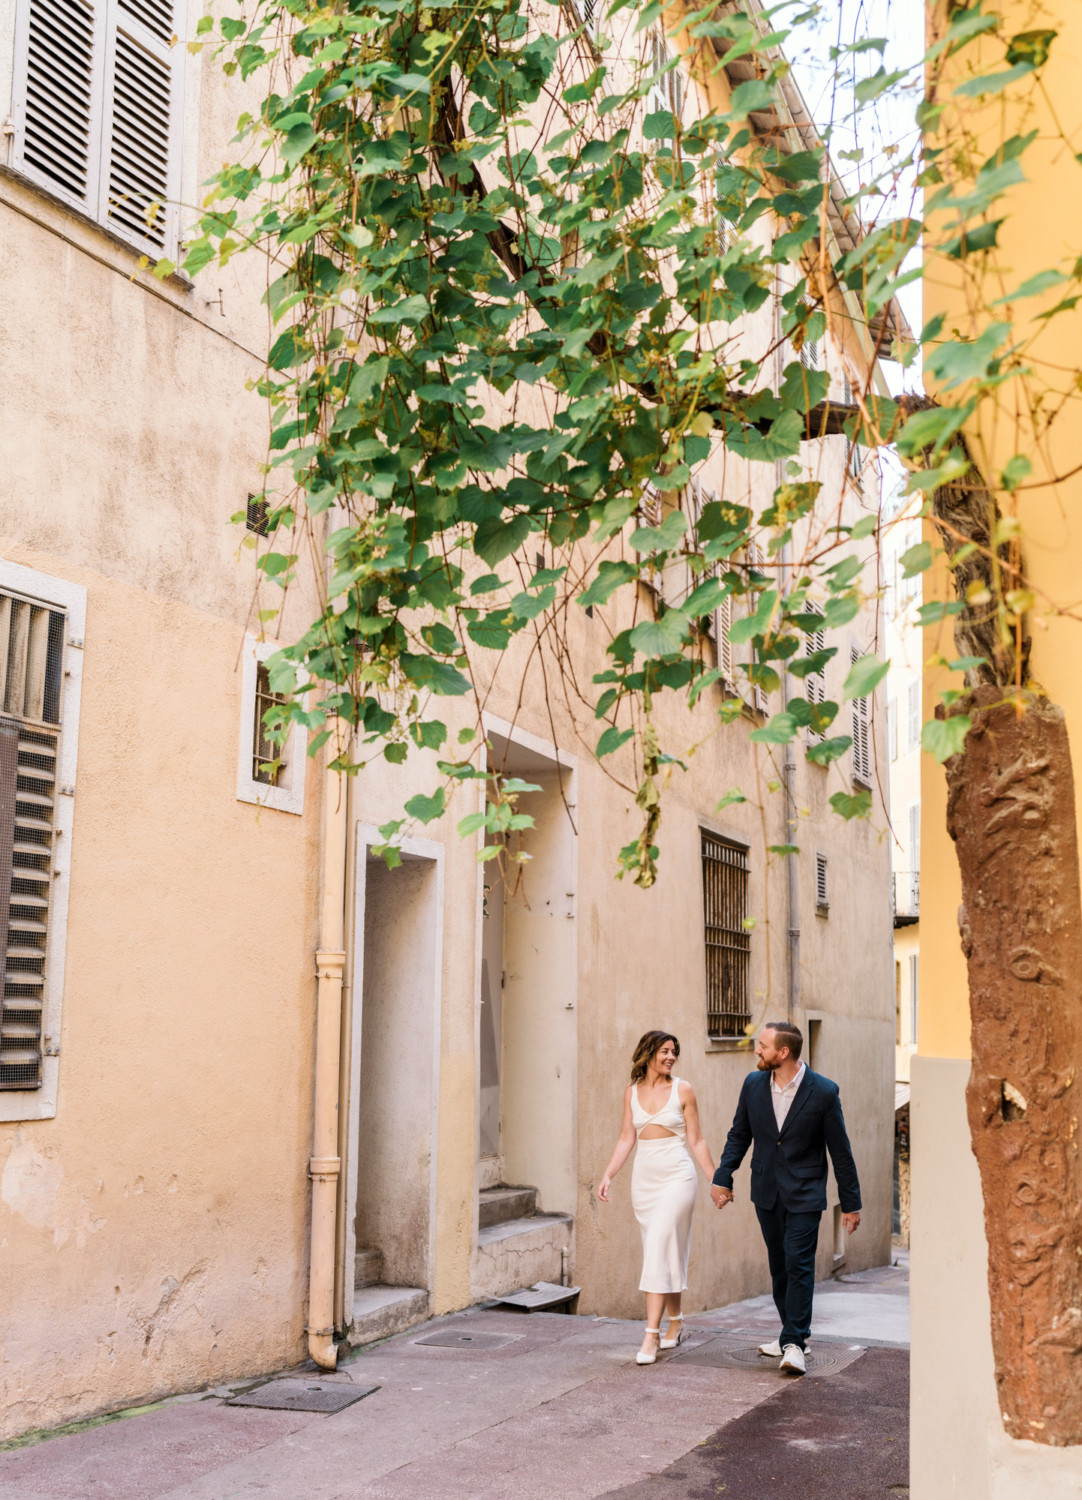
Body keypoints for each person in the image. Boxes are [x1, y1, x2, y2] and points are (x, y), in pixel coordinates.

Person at [710, 1021, 861, 1376]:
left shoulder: (823, 1092)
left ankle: (794, 1342)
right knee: (779, 1265)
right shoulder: (753, 1084)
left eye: (762, 1045)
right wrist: (722, 1176)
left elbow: (841, 1151)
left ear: (784, 1052)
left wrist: (851, 1202)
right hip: (766, 1191)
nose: (756, 1050)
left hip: (806, 1193)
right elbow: (739, 1135)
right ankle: (789, 1335)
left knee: (799, 1263)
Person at [598, 1030, 718, 1365]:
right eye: (665, 1051)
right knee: (664, 1249)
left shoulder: (683, 1089)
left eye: (674, 1052)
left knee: (659, 1246)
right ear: (648, 1053)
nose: (671, 1057)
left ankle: (650, 1334)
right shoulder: (631, 1092)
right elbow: (626, 1138)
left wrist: (717, 1180)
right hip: (645, 1180)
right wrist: (609, 1174)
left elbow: (696, 1140)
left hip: (677, 1176)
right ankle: (676, 1322)